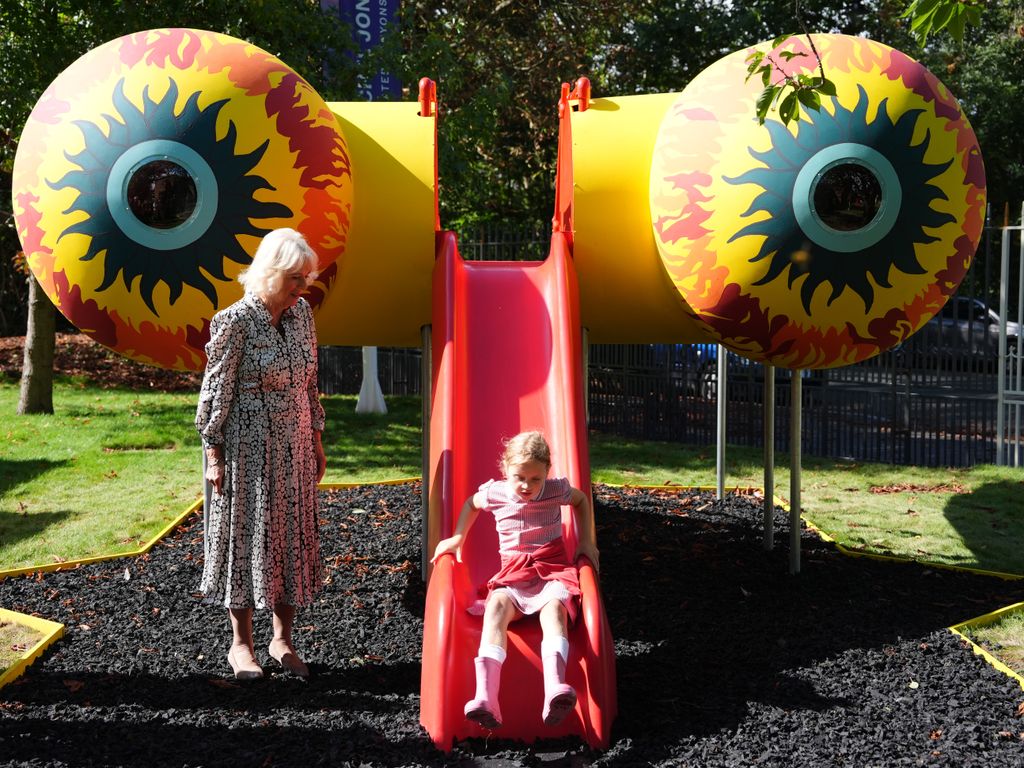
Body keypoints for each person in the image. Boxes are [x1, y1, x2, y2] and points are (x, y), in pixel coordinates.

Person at [195, 227, 327, 681]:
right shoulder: (233, 321)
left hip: (295, 446)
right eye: (296, 278)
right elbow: (215, 392)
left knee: (290, 537)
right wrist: (213, 453)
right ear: (272, 273)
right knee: (247, 541)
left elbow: (309, 382)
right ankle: (241, 646)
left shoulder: (302, 316)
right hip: (246, 450)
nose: (303, 287)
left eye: (306, 279)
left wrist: (317, 440)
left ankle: (282, 640)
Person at [431, 430, 600, 728]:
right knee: (495, 606)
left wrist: (586, 541)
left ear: (547, 472)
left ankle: (554, 689)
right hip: (514, 573)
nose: (527, 485)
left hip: (551, 570)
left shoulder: (555, 490)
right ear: (505, 470)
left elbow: (582, 501)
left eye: (536, 478)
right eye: (519, 477)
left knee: (555, 610)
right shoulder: (495, 493)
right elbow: (471, 504)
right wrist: (457, 537)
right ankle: (486, 697)